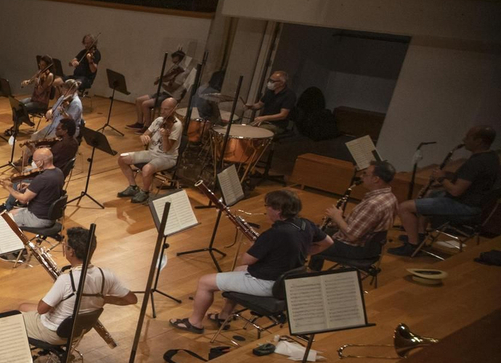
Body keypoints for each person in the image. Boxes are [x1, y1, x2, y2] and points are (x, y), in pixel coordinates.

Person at [172, 189, 330, 334]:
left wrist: (255, 246)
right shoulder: (306, 224)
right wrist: (302, 252)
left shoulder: (274, 233)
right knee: (238, 271)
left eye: (268, 206)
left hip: (267, 283)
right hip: (286, 279)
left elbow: (247, 259)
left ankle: (194, 322)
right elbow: (328, 243)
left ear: (278, 210)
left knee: (205, 282)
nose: (266, 209)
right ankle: (224, 315)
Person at [388, 125, 497, 256]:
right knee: (429, 196)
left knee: (404, 207)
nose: (464, 139)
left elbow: (456, 191)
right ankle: (419, 235)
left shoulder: (476, 163)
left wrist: (441, 179)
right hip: (474, 204)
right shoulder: (492, 158)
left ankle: (412, 245)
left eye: (468, 137)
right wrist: (447, 177)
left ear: (479, 141)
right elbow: (471, 181)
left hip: (465, 207)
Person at [18, 227, 137, 347]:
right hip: (76, 333)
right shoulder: (107, 275)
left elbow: (41, 309)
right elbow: (132, 299)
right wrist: (103, 299)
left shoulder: (66, 280)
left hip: (52, 333)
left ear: (71, 252)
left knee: (13, 318)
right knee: (24, 306)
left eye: (66, 245)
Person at [312, 160, 398, 270]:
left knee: (306, 239)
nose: (361, 177)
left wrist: (337, 218)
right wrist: (339, 221)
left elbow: (352, 236)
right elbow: (363, 224)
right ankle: (313, 271)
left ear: (376, 179)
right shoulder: (390, 197)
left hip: (355, 249)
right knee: (315, 231)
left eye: (365, 174)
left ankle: (308, 274)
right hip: (372, 247)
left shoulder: (373, 204)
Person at [116, 96, 181, 203]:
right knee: (122, 159)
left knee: (146, 169)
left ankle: (145, 192)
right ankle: (133, 187)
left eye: (166, 109)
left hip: (167, 157)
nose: (163, 112)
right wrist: (143, 137)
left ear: (174, 109)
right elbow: (146, 133)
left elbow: (166, 149)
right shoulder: (158, 120)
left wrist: (165, 136)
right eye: (162, 108)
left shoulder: (176, 125)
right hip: (151, 153)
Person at [0, 146, 64, 230]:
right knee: (10, 212)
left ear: (41, 162)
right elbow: (48, 188)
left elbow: (23, 199)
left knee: (3, 221)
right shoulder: (59, 172)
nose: (34, 163)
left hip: (38, 218)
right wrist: (30, 186)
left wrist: (8, 188)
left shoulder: (42, 178)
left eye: (35, 161)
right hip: (49, 215)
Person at [132, 50, 188, 129]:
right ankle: (139, 123)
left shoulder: (183, 74)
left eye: (176, 62)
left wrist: (161, 82)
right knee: (138, 100)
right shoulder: (177, 69)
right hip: (164, 93)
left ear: (181, 61)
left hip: (171, 97)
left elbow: (171, 89)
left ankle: (147, 126)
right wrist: (162, 78)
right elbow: (168, 78)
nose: (175, 64)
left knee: (145, 104)